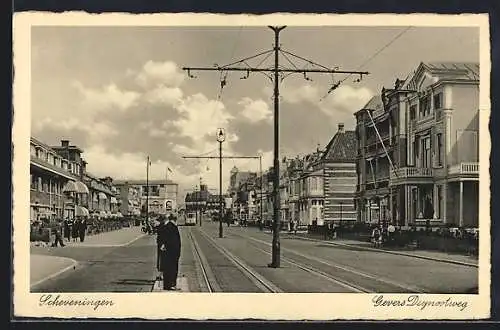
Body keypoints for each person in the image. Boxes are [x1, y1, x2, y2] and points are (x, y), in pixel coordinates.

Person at [157, 214, 181, 290]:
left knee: (169, 269)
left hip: (170, 252)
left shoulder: (170, 227)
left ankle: (169, 285)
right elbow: (161, 238)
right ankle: (170, 285)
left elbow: (171, 240)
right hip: (170, 252)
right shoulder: (169, 227)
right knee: (170, 269)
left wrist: (163, 246)